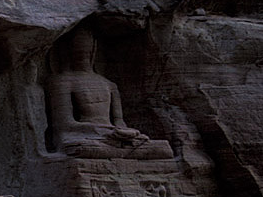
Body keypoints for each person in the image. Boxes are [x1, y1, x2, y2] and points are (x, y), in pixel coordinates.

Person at [47, 28, 172, 159]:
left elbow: (119, 122)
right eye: (77, 51)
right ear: (66, 51)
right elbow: (64, 125)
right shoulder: (62, 81)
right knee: (83, 148)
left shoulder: (108, 84)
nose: (82, 55)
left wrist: (127, 132)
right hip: (87, 136)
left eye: (86, 51)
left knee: (163, 148)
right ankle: (122, 152)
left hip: (112, 136)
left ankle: (121, 151)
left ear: (94, 50)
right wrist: (104, 131)